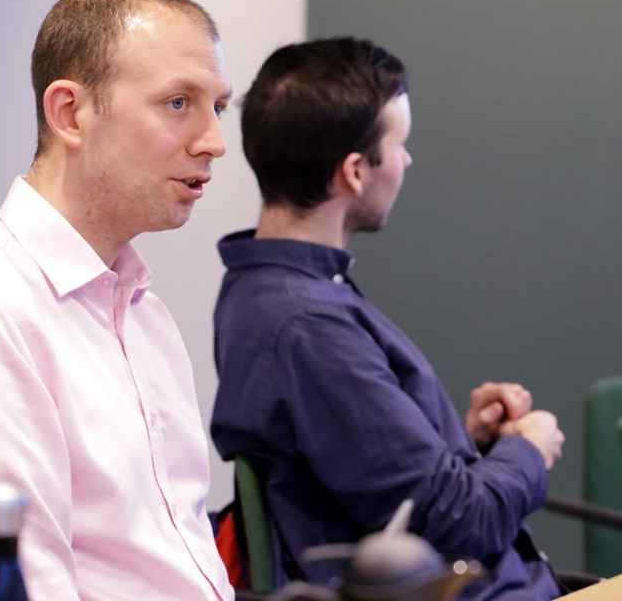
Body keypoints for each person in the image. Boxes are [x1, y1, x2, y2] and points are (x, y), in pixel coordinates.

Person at [0, 0, 234, 600]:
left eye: (219, 108)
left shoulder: (142, 312)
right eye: (179, 103)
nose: (213, 141)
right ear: (70, 113)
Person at [211, 37, 565, 600]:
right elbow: (463, 524)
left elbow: (364, 470)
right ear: (354, 171)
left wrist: (457, 443)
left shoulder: (277, 292)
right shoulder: (305, 324)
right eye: (399, 145)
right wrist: (528, 448)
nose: (406, 161)